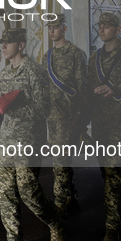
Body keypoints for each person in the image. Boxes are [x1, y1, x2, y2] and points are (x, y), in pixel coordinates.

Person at [0, 28, 65, 241]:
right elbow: (5, 105)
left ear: (21, 45)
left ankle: (57, 225)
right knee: (6, 194)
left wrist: (12, 107)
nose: (3, 46)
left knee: (29, 191)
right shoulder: (4, 73)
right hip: (8, 139)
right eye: (2, 43)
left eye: (8, 43)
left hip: (29, 140)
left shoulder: (34, 71)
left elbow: (43, 109)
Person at [84, 12, 121, 241]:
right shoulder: (94, 58)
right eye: (100, 25)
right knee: (108, 175)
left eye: (107, 25)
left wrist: (114, 88)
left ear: (118, 29)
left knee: (114, 173)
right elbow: (89, 90)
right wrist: (82, 121)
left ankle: (112, 229)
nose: (102, 29)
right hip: (100, 124)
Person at [41, 14, 86, 215]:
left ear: (65, 29)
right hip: (52, 116)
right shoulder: (47, 56)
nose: (52, 31)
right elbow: (44, 85)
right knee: (61, 158)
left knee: (60, 159)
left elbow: (82, 87)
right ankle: (70, 195)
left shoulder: (76, 53)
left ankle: (59, 204)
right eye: (49, 28)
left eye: (56, 27)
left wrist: (79, 114)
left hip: (69, 116)